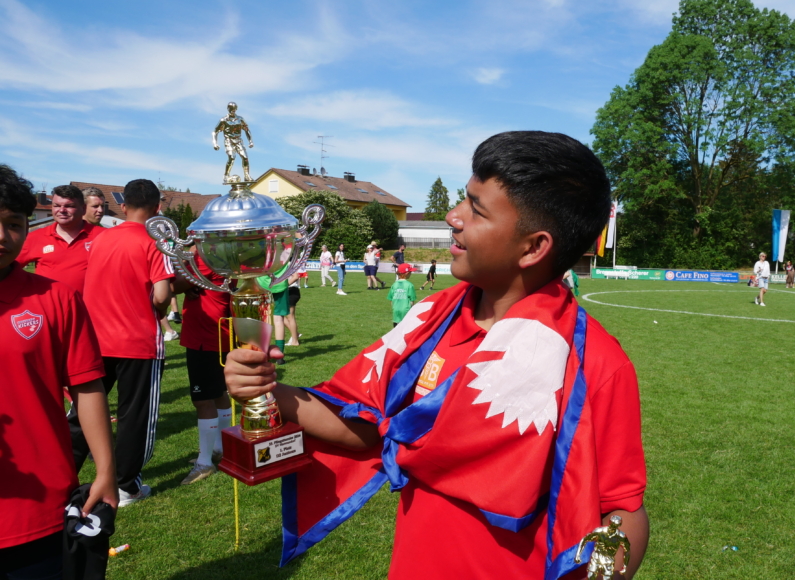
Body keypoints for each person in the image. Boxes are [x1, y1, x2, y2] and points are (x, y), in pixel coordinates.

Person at [222, 131, 648, 578]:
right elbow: (369, 428)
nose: (452, 216)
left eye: (476, 209)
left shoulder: (595, 363)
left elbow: (622, 508)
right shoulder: (430, 320)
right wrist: (268, 390)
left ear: (533, 247)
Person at [0, 165, 118, 579]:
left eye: (13, 224)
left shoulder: (56, 300)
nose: (2, 236)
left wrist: (106, 471)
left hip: (39, 507)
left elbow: (87, 387)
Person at [72, 178, 175, 507]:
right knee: (135, 416)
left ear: (123, 205)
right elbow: (162, 296)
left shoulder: (100, 238)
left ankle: (62, 475)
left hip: (95, 340)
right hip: (138, 342)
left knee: (82, 413)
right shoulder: (155, 241)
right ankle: (125, 486)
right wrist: (158, 306)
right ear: (157, 208)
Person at [177, 250, 232, 485]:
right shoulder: (221, 255)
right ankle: (220, 448)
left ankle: (205, 462)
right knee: (219, 393)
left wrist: (184, 279)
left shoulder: (207, 256)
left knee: (203, 400)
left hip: (205, 336)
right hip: (218, 334)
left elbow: (172, 285)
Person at [14, 184, 105, 296]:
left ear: (83, 209)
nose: (62, 210)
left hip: (86, 306)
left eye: (69, 206)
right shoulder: (36, 237)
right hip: (48, 305)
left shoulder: (103, 236)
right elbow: (7, 268)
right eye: (56, 205)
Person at [387, 263, 417, 327]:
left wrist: (394, 307)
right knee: (405, 328)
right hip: (406, 310)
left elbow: (391, 299)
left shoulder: (394, 284)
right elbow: (412, 301)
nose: (411, 273)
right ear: (407, 273)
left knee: (396, 328)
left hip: (396, 310)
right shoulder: (410, 285)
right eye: (410, 272)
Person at [286, 273, 302, 346]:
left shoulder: (289, 266)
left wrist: (284, 286)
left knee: (290, 317)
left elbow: (296, 277)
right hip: (287, 292)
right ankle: (295, 334)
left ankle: (295, 341)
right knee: (279, 316)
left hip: (291, 291)